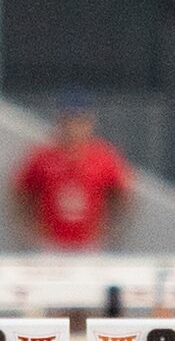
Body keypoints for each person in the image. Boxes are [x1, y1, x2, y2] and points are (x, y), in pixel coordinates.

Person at [12, 97, 132, 250]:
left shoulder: (103, 156)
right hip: (52, 244)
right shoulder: (43, 156)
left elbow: (123, 194)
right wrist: (30, 229)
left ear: (89, 124)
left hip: (89, 244)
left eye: (79, 122)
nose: (73, 128)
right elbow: (20, 191)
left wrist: (109, 229)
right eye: (68, 121)